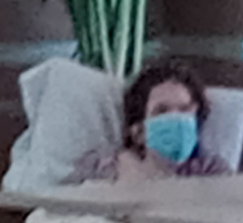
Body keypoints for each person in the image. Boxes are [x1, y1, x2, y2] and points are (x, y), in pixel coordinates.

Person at [84, 59, 232, 184]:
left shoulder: (213, 172)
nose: (176, 118)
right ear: (139, 132)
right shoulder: (101, 167)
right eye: (162, 111)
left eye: (184, 109)